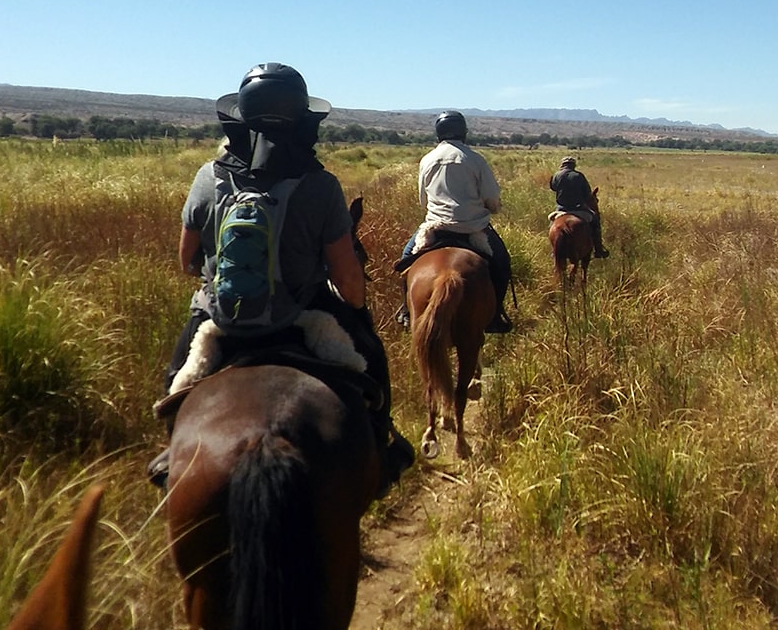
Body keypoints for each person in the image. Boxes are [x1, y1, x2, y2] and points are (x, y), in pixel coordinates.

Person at [148, 62, 413, 495]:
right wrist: (357, 309)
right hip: (305, 314)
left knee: (177, 377)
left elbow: (186, 261)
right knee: (372, 363)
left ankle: (170, 453)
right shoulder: (321, 184)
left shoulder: (208, 177)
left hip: (223, 318)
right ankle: (383, 447)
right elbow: (347, 277)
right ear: (304, 120)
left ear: (241, 115)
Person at [394, 110, 513, 333]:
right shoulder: (475, 159)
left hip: (435, 227)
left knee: (405, 260)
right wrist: (493, 208)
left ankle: (406, 310)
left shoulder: (427, 160)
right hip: (473, 228)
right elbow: (491, 196)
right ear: (463, 132)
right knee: (502, 264)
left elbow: (423, 199)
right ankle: (495, 315)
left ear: (438, 133)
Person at [550, 156, 610, 258]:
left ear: (562, 165)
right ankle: (598, 249)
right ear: (573, 166)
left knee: (552, 223)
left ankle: (554, 249)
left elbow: (553, 187)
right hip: (578, 209)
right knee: (595, 222)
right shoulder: (579, 176)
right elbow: (587, 194)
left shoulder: (556, 175)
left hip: (561, 209)